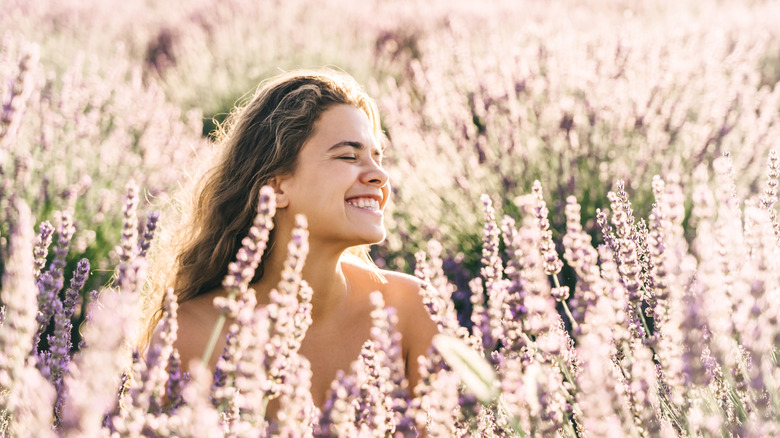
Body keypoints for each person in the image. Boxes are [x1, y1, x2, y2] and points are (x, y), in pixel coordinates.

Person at [143, 69, 439, 417]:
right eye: (348, 156)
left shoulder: (410, 309)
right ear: (277, 187)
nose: (379, 174)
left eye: (377, 156)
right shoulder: (192, 334)